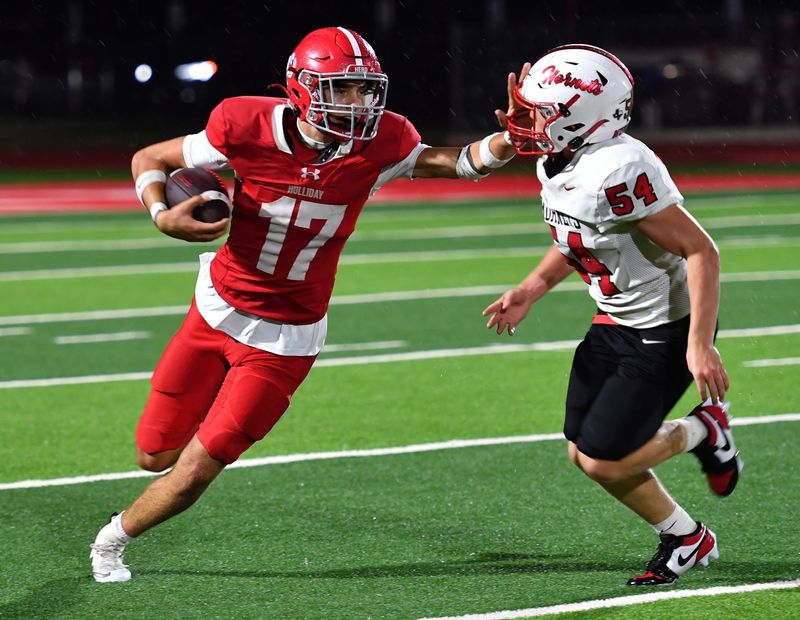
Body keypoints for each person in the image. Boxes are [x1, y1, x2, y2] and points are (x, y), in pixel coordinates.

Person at [89, 26, 525, 583]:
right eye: (342, 89)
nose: (358, 104)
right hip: (215, 308)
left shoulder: (384, 141)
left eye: (365, 90)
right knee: (153, 456)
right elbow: (151, 157)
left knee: (198, 469)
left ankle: (110, 541)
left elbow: (462, 161)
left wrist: (509, 137)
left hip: (285, 339)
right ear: (300, 87)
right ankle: (182, 448)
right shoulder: (242, 122)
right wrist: (160, 212)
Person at [482, 44, 743, 586]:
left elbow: (702, 252)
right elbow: (581, 234)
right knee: (582, 451)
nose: (524, 121)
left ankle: (703, 430)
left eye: (539, 112)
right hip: (615, 318)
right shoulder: (564, 159)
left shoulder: (619, 170)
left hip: (665, 328)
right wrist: (533, 287)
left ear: (582, 118)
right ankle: (686, 536)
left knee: (606, 458)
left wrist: (699, 344)